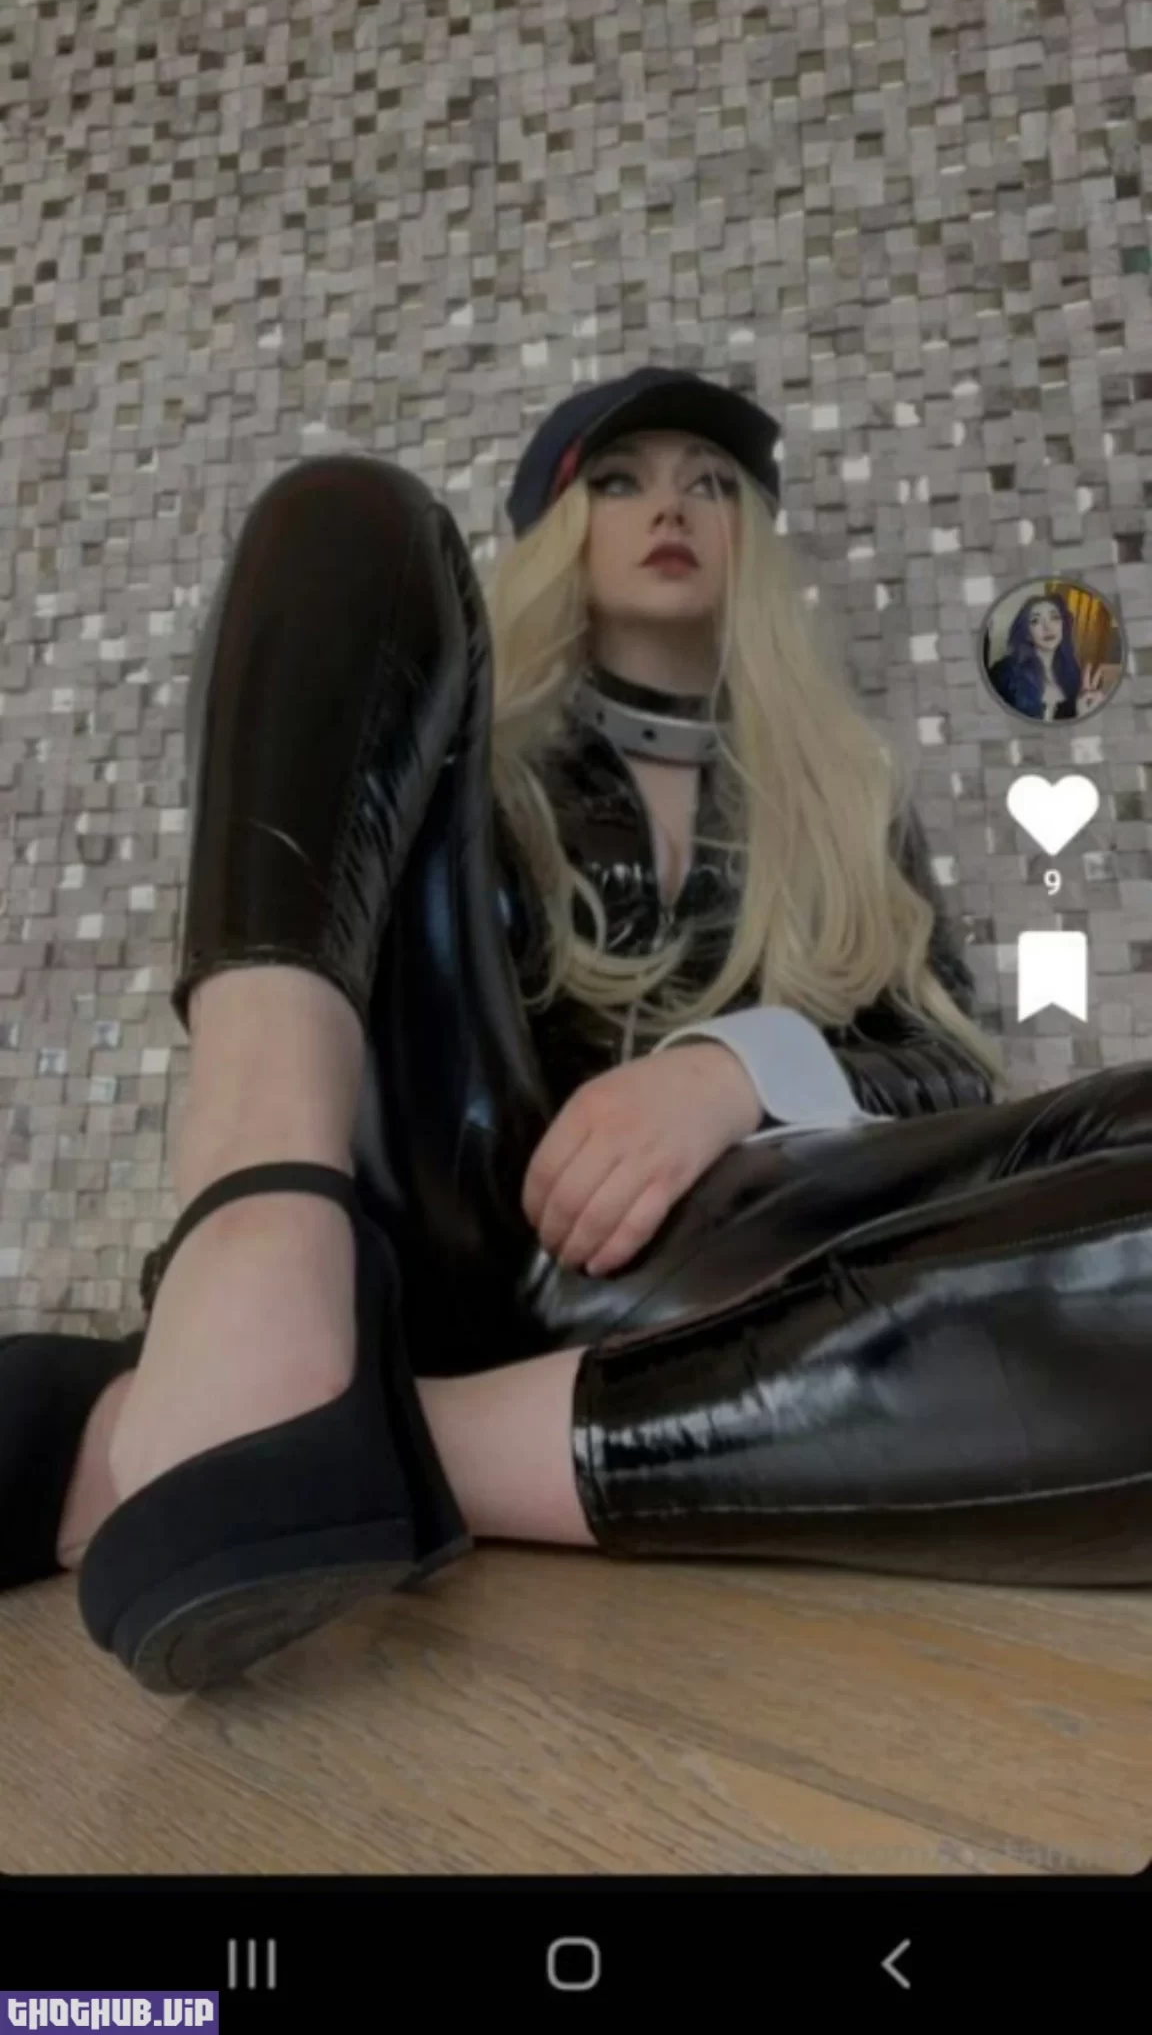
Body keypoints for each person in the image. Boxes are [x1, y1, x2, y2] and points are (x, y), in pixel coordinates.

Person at [4, 365, 1152, 1700]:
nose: (672, 506)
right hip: (457, 1232)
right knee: (350, 515)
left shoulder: (849, 805)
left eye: (711, 486)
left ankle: (345, 1443)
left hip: (740, 1282)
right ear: (561, 529)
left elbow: (947, 1063)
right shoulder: (481, 768)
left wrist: (736, 1070)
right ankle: (251, 1229)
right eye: (620, 481)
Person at [986, 590, 1108, 722]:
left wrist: (1084, 716)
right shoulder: (1003, 674)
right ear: (1027, 633)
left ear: (1063, 627)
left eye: (1054, 617)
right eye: (1035, 621)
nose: (1048, 627)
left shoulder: (1076, 677)